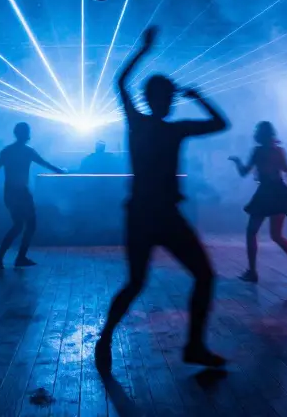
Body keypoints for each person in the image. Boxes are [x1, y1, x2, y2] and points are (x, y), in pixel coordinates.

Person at [95, 26, 229, 372]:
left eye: (171, 97)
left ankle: (109, 339)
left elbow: (121, 83)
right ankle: (191, 346)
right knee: (193, 277)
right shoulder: (167, 128)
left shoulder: (142, 125)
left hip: (145, 215)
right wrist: (197, 96)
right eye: (167, 97)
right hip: (159, 215)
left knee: (141, 282)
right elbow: (220, 123)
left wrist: (143, 50)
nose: (170, 102)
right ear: (157, 99)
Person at [228, 121, 287, 285]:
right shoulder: (278, 150)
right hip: (279, 192)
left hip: (266, 193)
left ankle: (252, 272)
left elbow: (244, 172)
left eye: (257, 131)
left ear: (261, 135)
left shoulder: (258, 151)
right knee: (277, 235)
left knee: (252, 232)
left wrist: (237, 162)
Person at [0, 122, 65, 268]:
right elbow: (44, 163)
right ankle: (16, 257)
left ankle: (1, 257)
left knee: (18, 225)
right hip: (21, 192)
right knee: (29, 225)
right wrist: (59, 171)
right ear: (25, 134)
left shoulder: (7, 151)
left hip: (9, 192)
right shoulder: (27, 151)